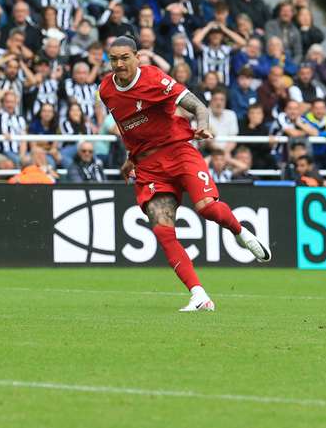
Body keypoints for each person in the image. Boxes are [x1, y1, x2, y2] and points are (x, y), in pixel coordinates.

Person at [98, 36, 271, 313]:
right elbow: (127, 127)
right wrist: (131, 159)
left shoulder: (154, 79)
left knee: (207, 208)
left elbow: (198, 105)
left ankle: (240, 233)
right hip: (149, 166)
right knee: (162, 229)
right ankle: (199, 294)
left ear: (137, 56)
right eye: (113, 59)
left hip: (178, 151)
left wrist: (202, 126)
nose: (119, 64)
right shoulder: (106, 89)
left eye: (124, 58)